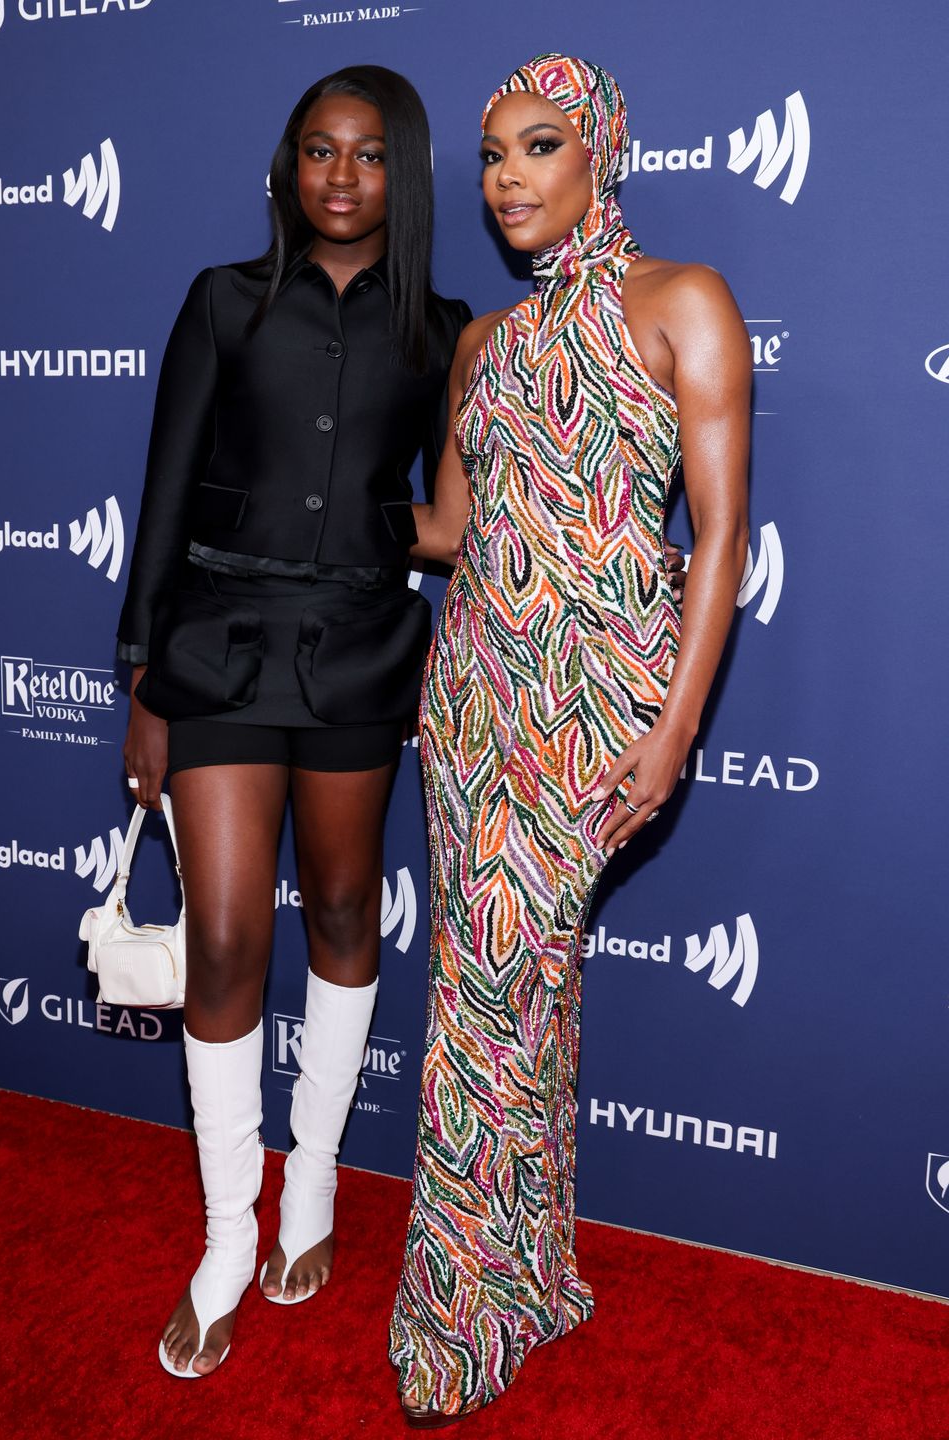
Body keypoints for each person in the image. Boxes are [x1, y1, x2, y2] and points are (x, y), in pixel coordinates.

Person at [389, 54, 751, 1426]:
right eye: (490, 156)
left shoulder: (685, 304)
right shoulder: (481, 344)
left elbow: (717, 538)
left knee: (488, 1006)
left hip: (598, 711)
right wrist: (319, 501)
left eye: (538, 147)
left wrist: (675, 730)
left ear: (601, 152)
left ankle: (453, 1325)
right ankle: (527, 1281)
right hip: (473, 700)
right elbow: (447, 533)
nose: (506, 179)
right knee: (517, 1001)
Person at [116, 65, 473, 1379]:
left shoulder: (443, 329)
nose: (340, 175)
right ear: (286, 166)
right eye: (319, 150)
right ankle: (224, 1236)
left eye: (370, 155)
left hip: (365, 648)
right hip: (215, 647)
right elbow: (159, 493)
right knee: (220, 937)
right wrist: (143, 678)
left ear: (406, 175)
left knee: (337, 912)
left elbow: (453, 514)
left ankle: (311, 1181)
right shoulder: (222, 302)